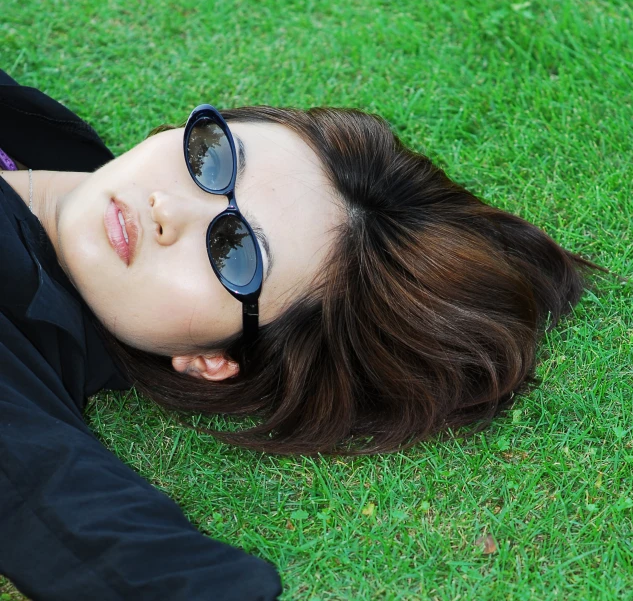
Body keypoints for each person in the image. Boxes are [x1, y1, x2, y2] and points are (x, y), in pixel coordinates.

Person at [0, 70, 601, 598]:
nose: (168, 209)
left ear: (212, 359)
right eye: (213, 159)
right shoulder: (39, 132)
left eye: (235, 254)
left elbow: (65, 503)